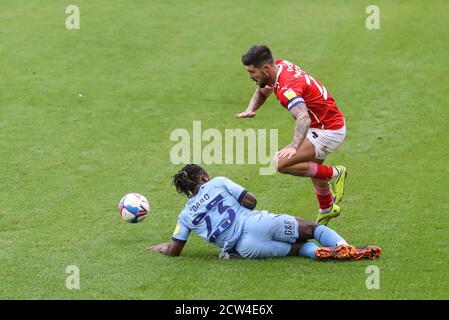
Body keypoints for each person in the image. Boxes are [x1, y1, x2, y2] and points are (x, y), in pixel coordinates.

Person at [148, 165, 381, 260]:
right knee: (311, 228)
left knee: (298, 249)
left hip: (245, 249)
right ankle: (345, 247)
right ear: (204, 177)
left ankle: (324, 253)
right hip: (256, 223)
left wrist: (164, 248)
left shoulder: (184, 216)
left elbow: (175, 248)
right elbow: (251, 201)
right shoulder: (217, 182)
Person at [235, 45, 347, 225]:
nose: (250, 77)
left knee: (280, 162)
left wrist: (294, 146)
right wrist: (250, 109)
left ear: (265, 68)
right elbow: (262, 89)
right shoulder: (278, 67)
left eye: (251, 72)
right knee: (311, 167)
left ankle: (335, 173)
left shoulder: (288, 87)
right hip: (326, 123)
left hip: (327, 131)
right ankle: (327, 208)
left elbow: (303, 117)